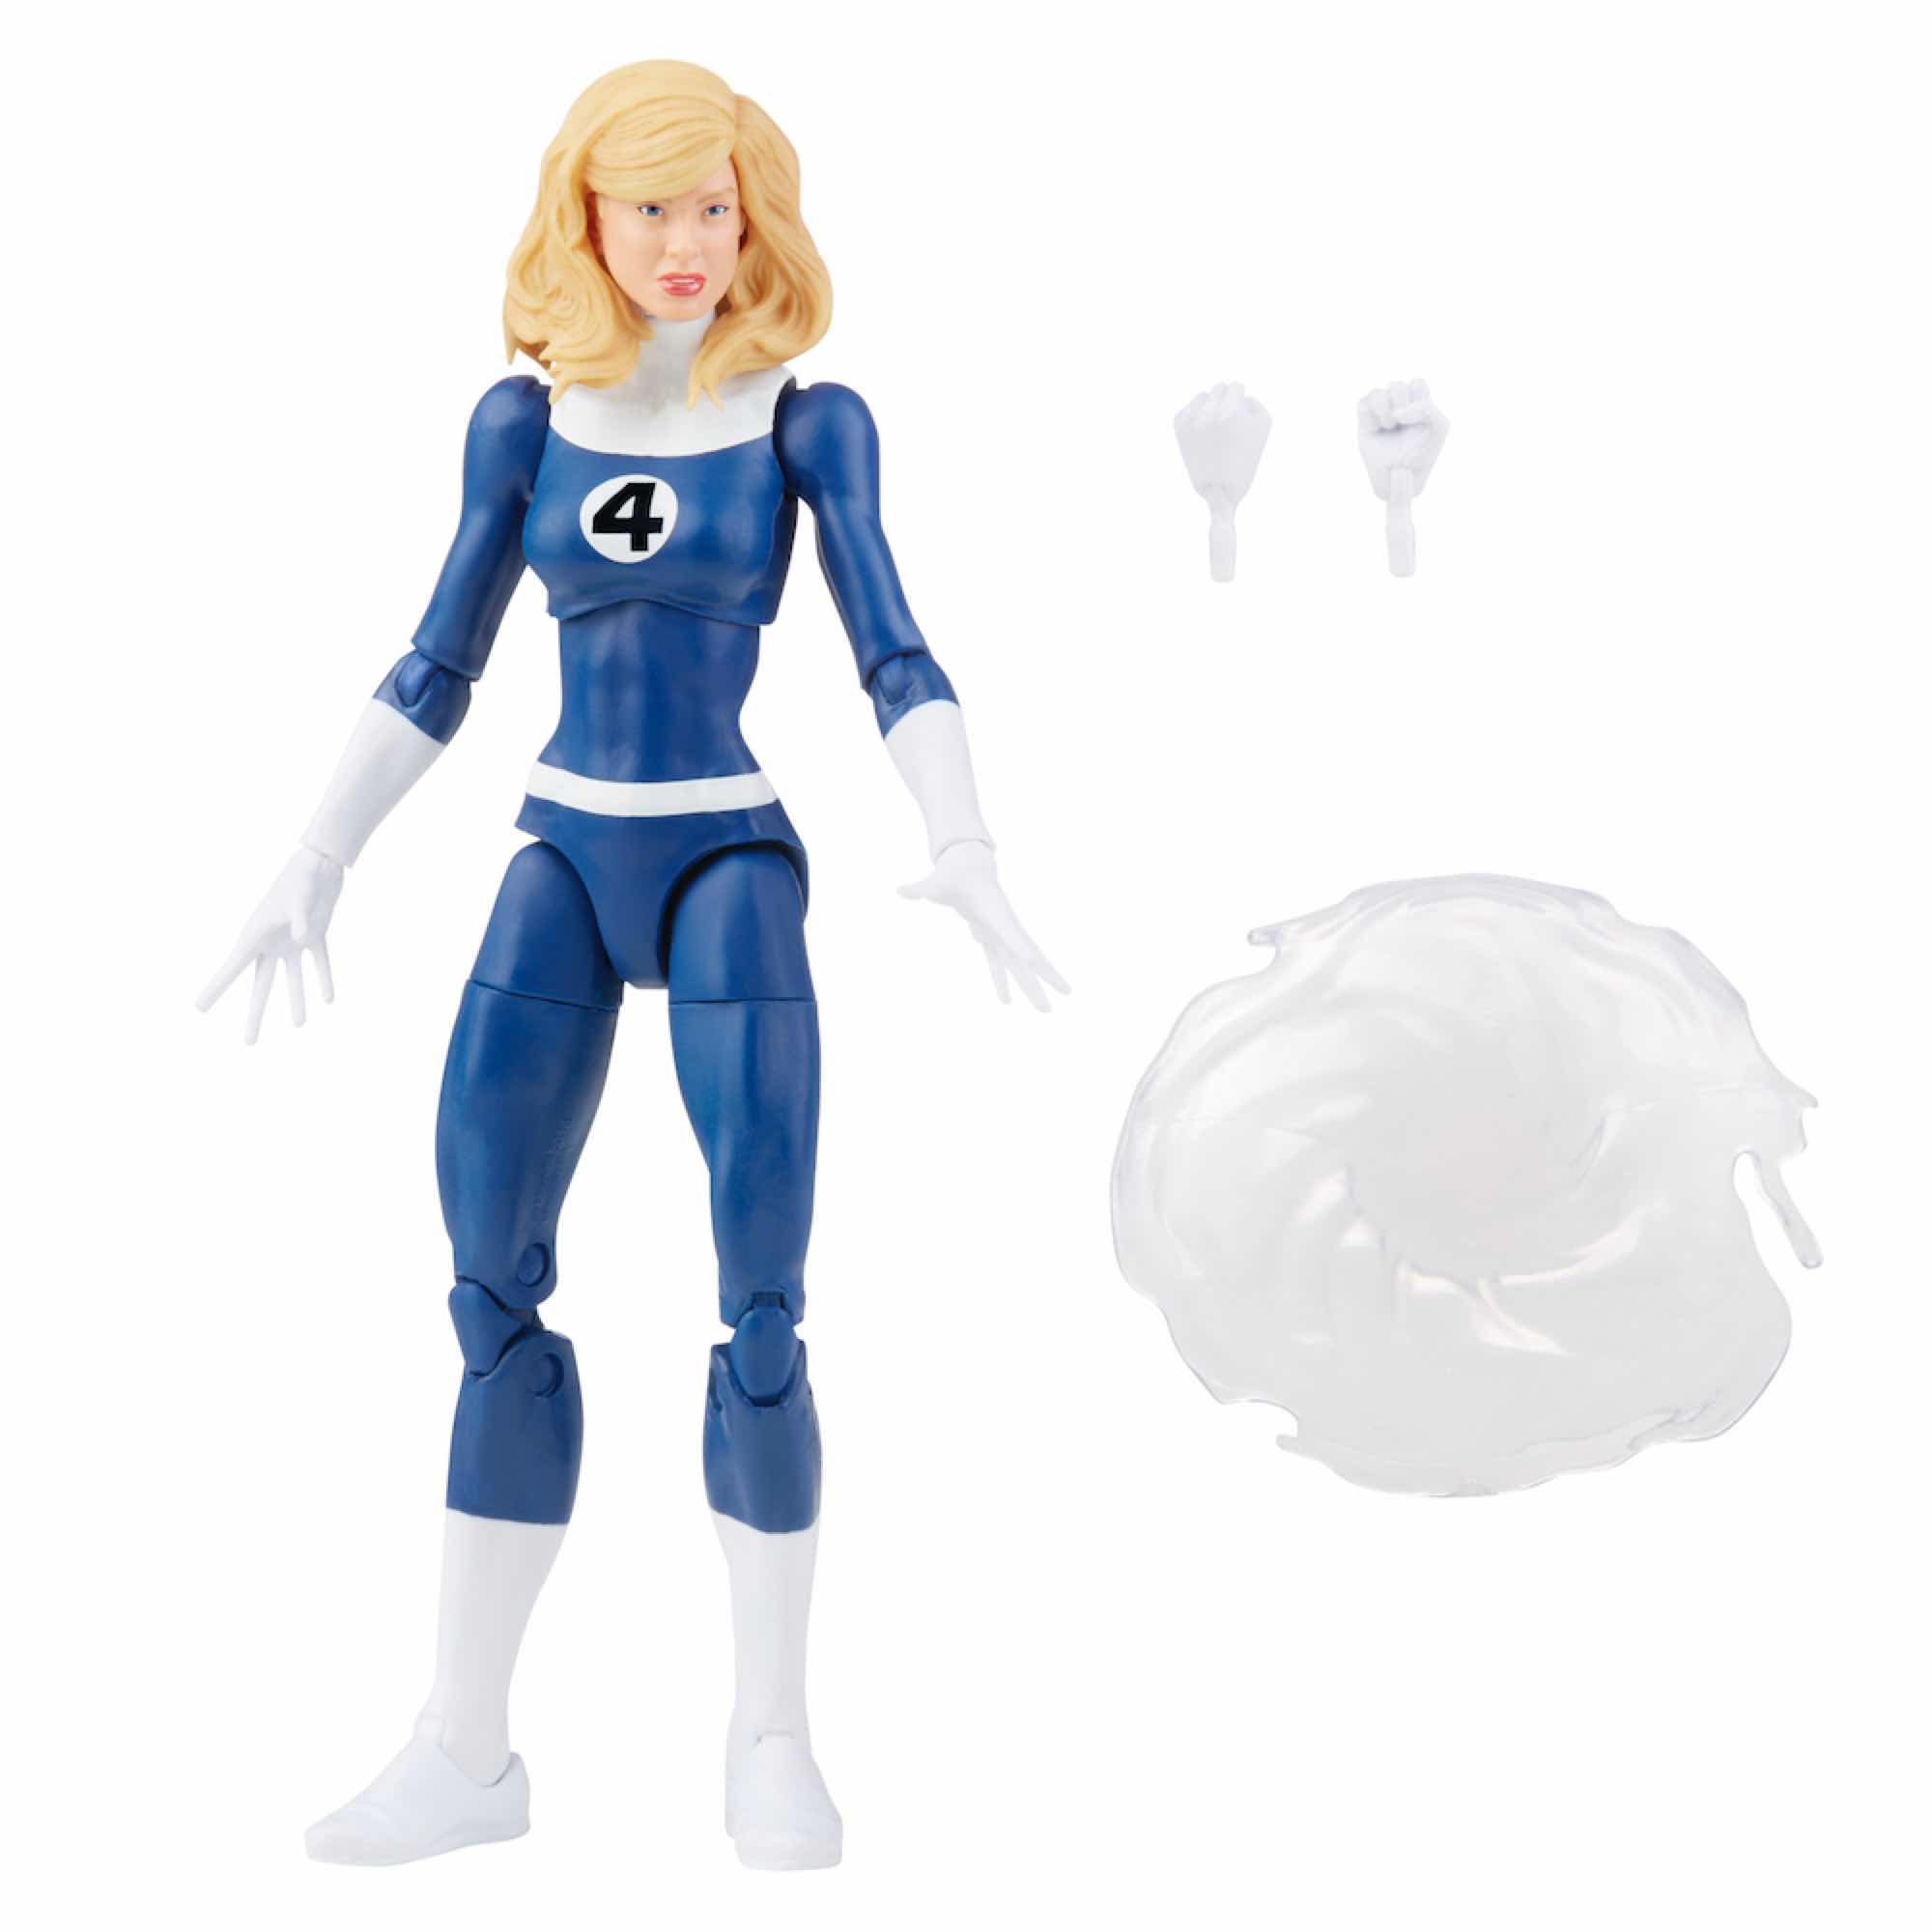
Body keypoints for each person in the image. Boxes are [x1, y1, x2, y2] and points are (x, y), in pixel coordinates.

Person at [198, 58, 1064, 1871]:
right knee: (486, 1300)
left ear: (757, 217)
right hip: (566, 851)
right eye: (651, 204)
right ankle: (466, 1751)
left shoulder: (807, 426)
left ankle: (773, 1736)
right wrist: (314, 853)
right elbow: (437, 658)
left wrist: (966, 840)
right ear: (582, 217)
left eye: (715, 205)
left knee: (764, 1311)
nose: (686, 240)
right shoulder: (523, 425)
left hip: (728, 857)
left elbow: (895, 649)